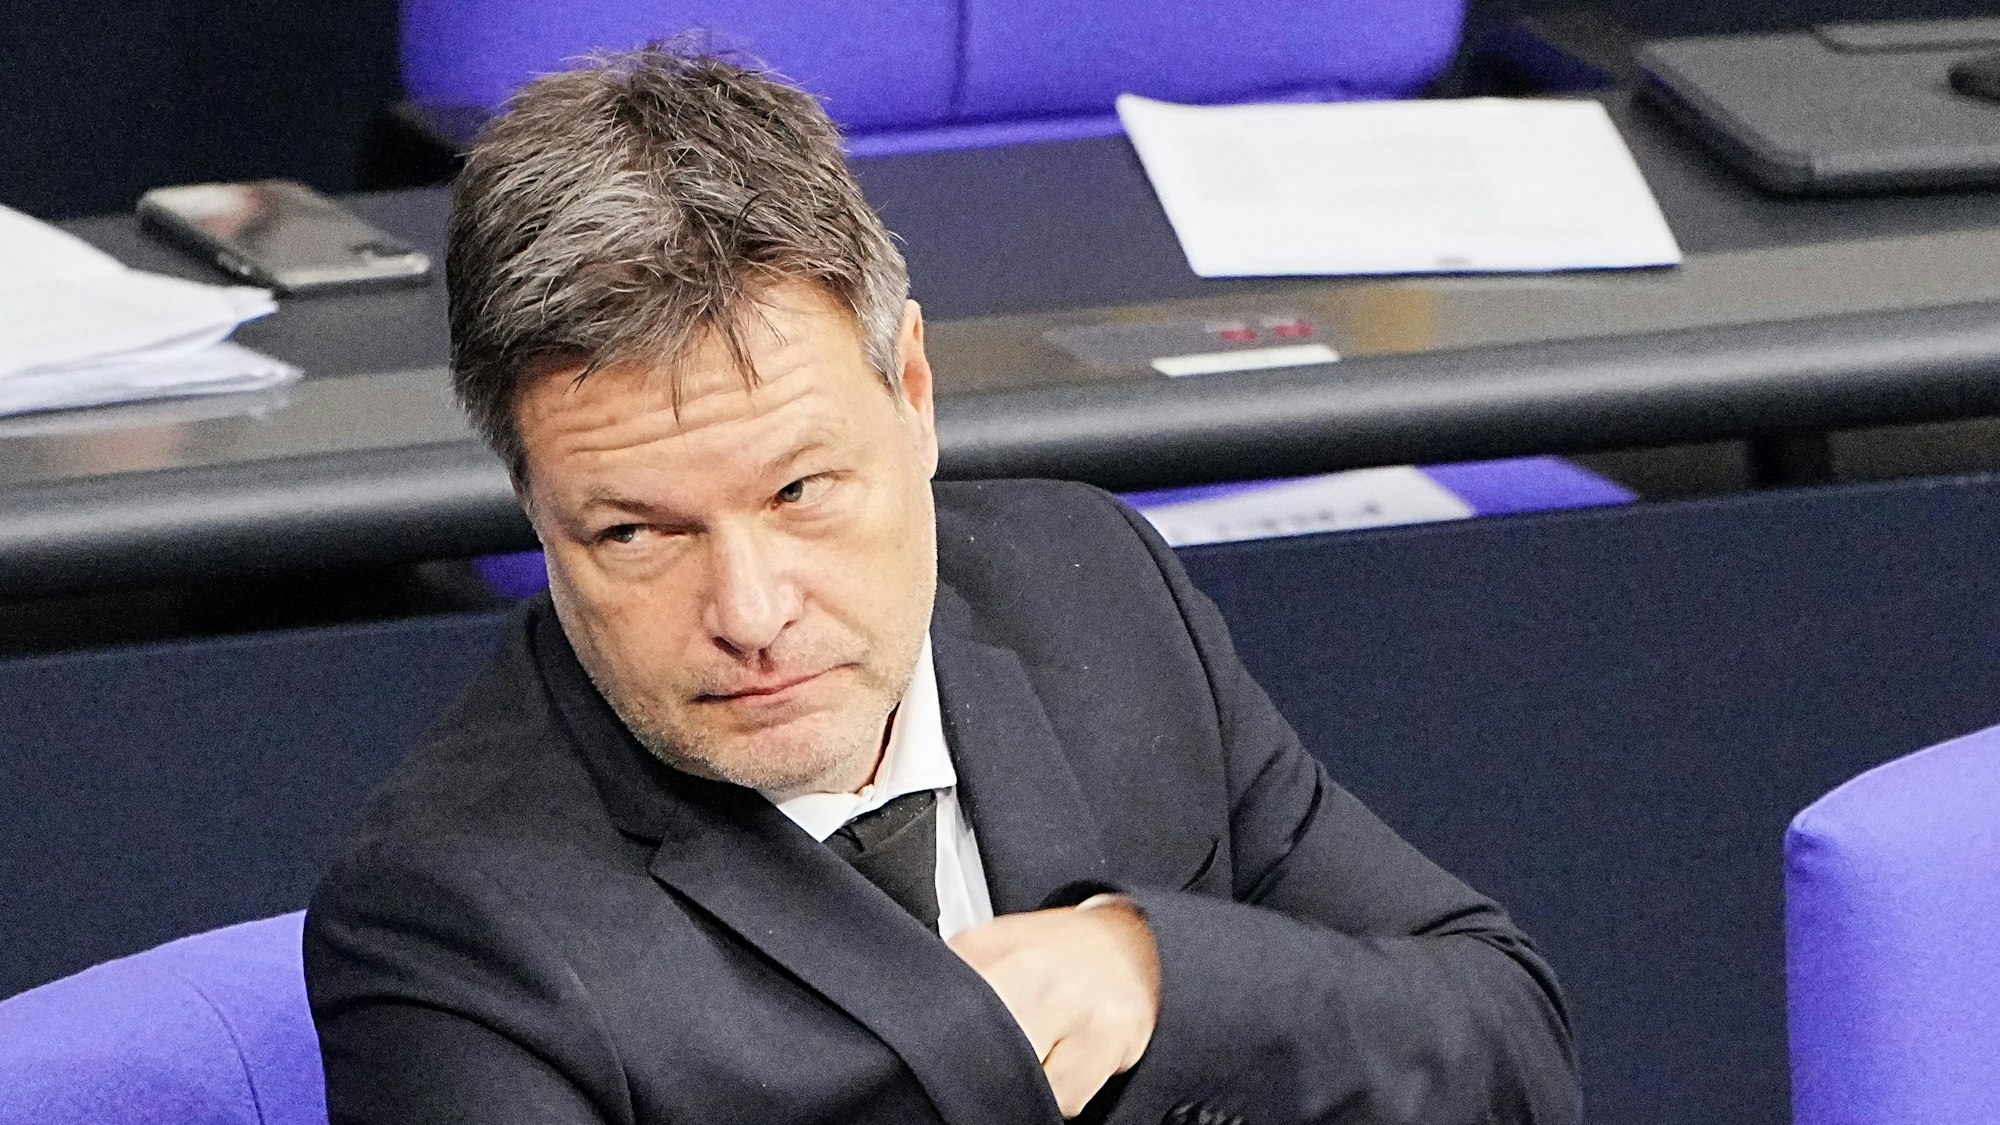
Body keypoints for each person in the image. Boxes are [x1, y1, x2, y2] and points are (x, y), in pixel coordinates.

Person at [304, 44, 1581, 1125]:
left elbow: (1508, 1047)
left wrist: (1161, 977)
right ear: (531, 502)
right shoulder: (452, 922)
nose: (750, 613)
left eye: (801, 493)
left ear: (912, 395)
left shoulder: (1087, 591)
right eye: (635, 536)